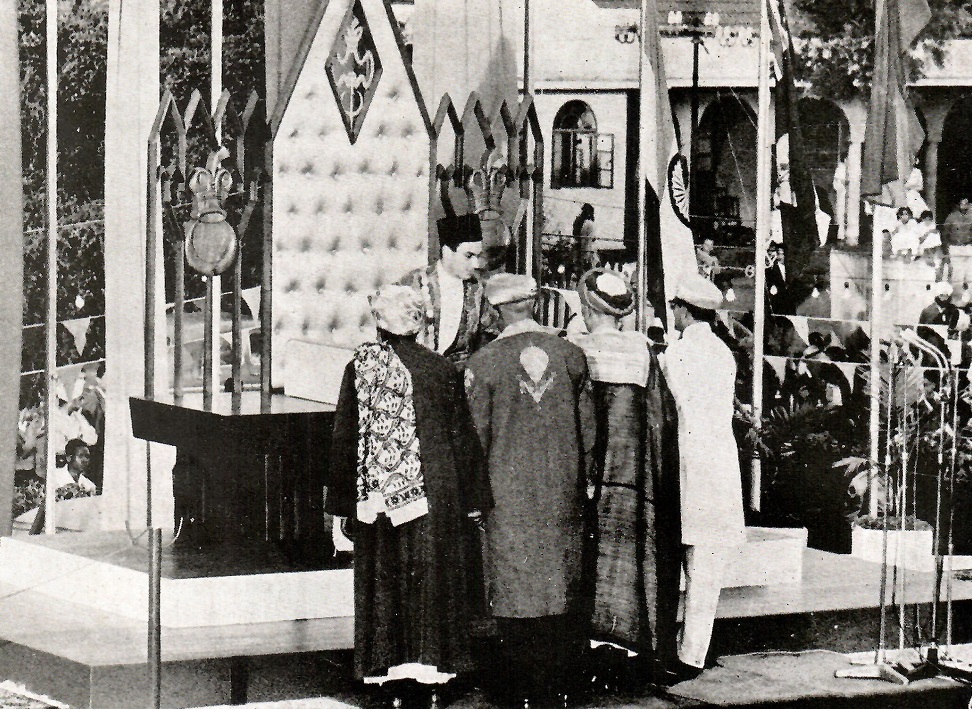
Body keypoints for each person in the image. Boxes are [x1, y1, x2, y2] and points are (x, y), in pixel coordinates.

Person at [325, 285, 491, 707]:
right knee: (433, 581)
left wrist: (343, 506)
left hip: (378, 496)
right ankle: (433, 676)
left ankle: (387, 675)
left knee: (385, 578)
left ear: (379, 323)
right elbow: (463, 438)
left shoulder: (359, 367)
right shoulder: (441, 369)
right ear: (420, 322)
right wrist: (475, 499)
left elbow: (344, 439)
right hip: (436, 490)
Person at [464, 273, 596, 706]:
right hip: (562, 489)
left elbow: (474, 438)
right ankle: (556, 686)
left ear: (495, 309)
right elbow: (589, 432)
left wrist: (473, 497)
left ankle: (517, 687)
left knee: (513, 582)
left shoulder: (482, 363)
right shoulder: (572, 356)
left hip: (506, 493)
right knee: (558, 580)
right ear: (535, 303)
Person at [569, 269, 681, 690]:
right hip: (637, 477)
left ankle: (592, 652)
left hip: (592, 476)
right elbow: (659, 418)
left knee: (591, 562)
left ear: (586, 308)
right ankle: (634, 650)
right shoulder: (644, 350)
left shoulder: (577, 348)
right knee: (636, 560)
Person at [661, 275, 746, 681]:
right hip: (720, 467)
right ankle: (694, 652)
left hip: (686, 464)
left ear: (682, 309)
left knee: (676, 565)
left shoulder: (676, 355)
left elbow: (669, 411)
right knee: (706, 570)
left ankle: (676, 654)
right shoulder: (724, 354)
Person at [397, 213, 497, 368]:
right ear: (447, 252)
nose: (476, 264)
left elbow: (490, 337)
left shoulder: (479, 289)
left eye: (478, 256)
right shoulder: (412, 283)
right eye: (469, 256)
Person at [944, 197, 972, 285]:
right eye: (962, 204)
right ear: (958, 205)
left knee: (970, 272)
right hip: (955, 247)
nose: (964, 206)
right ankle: (957, 294)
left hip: (968, 246)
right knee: (957, 272)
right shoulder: (951, 217)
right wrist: (947, 248)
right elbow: (945, 233)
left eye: (966, 204)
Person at [572, 203, 598, 274]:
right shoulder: (586, 223)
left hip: (585, 250)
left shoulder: (587, 224)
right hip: (584, 249)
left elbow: (588, 239)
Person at [765, 242, 789, 314]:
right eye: (779, 253)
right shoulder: (771, 269)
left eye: (782, 253)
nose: (780, 255)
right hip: (776, 303)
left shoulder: (789, 267)